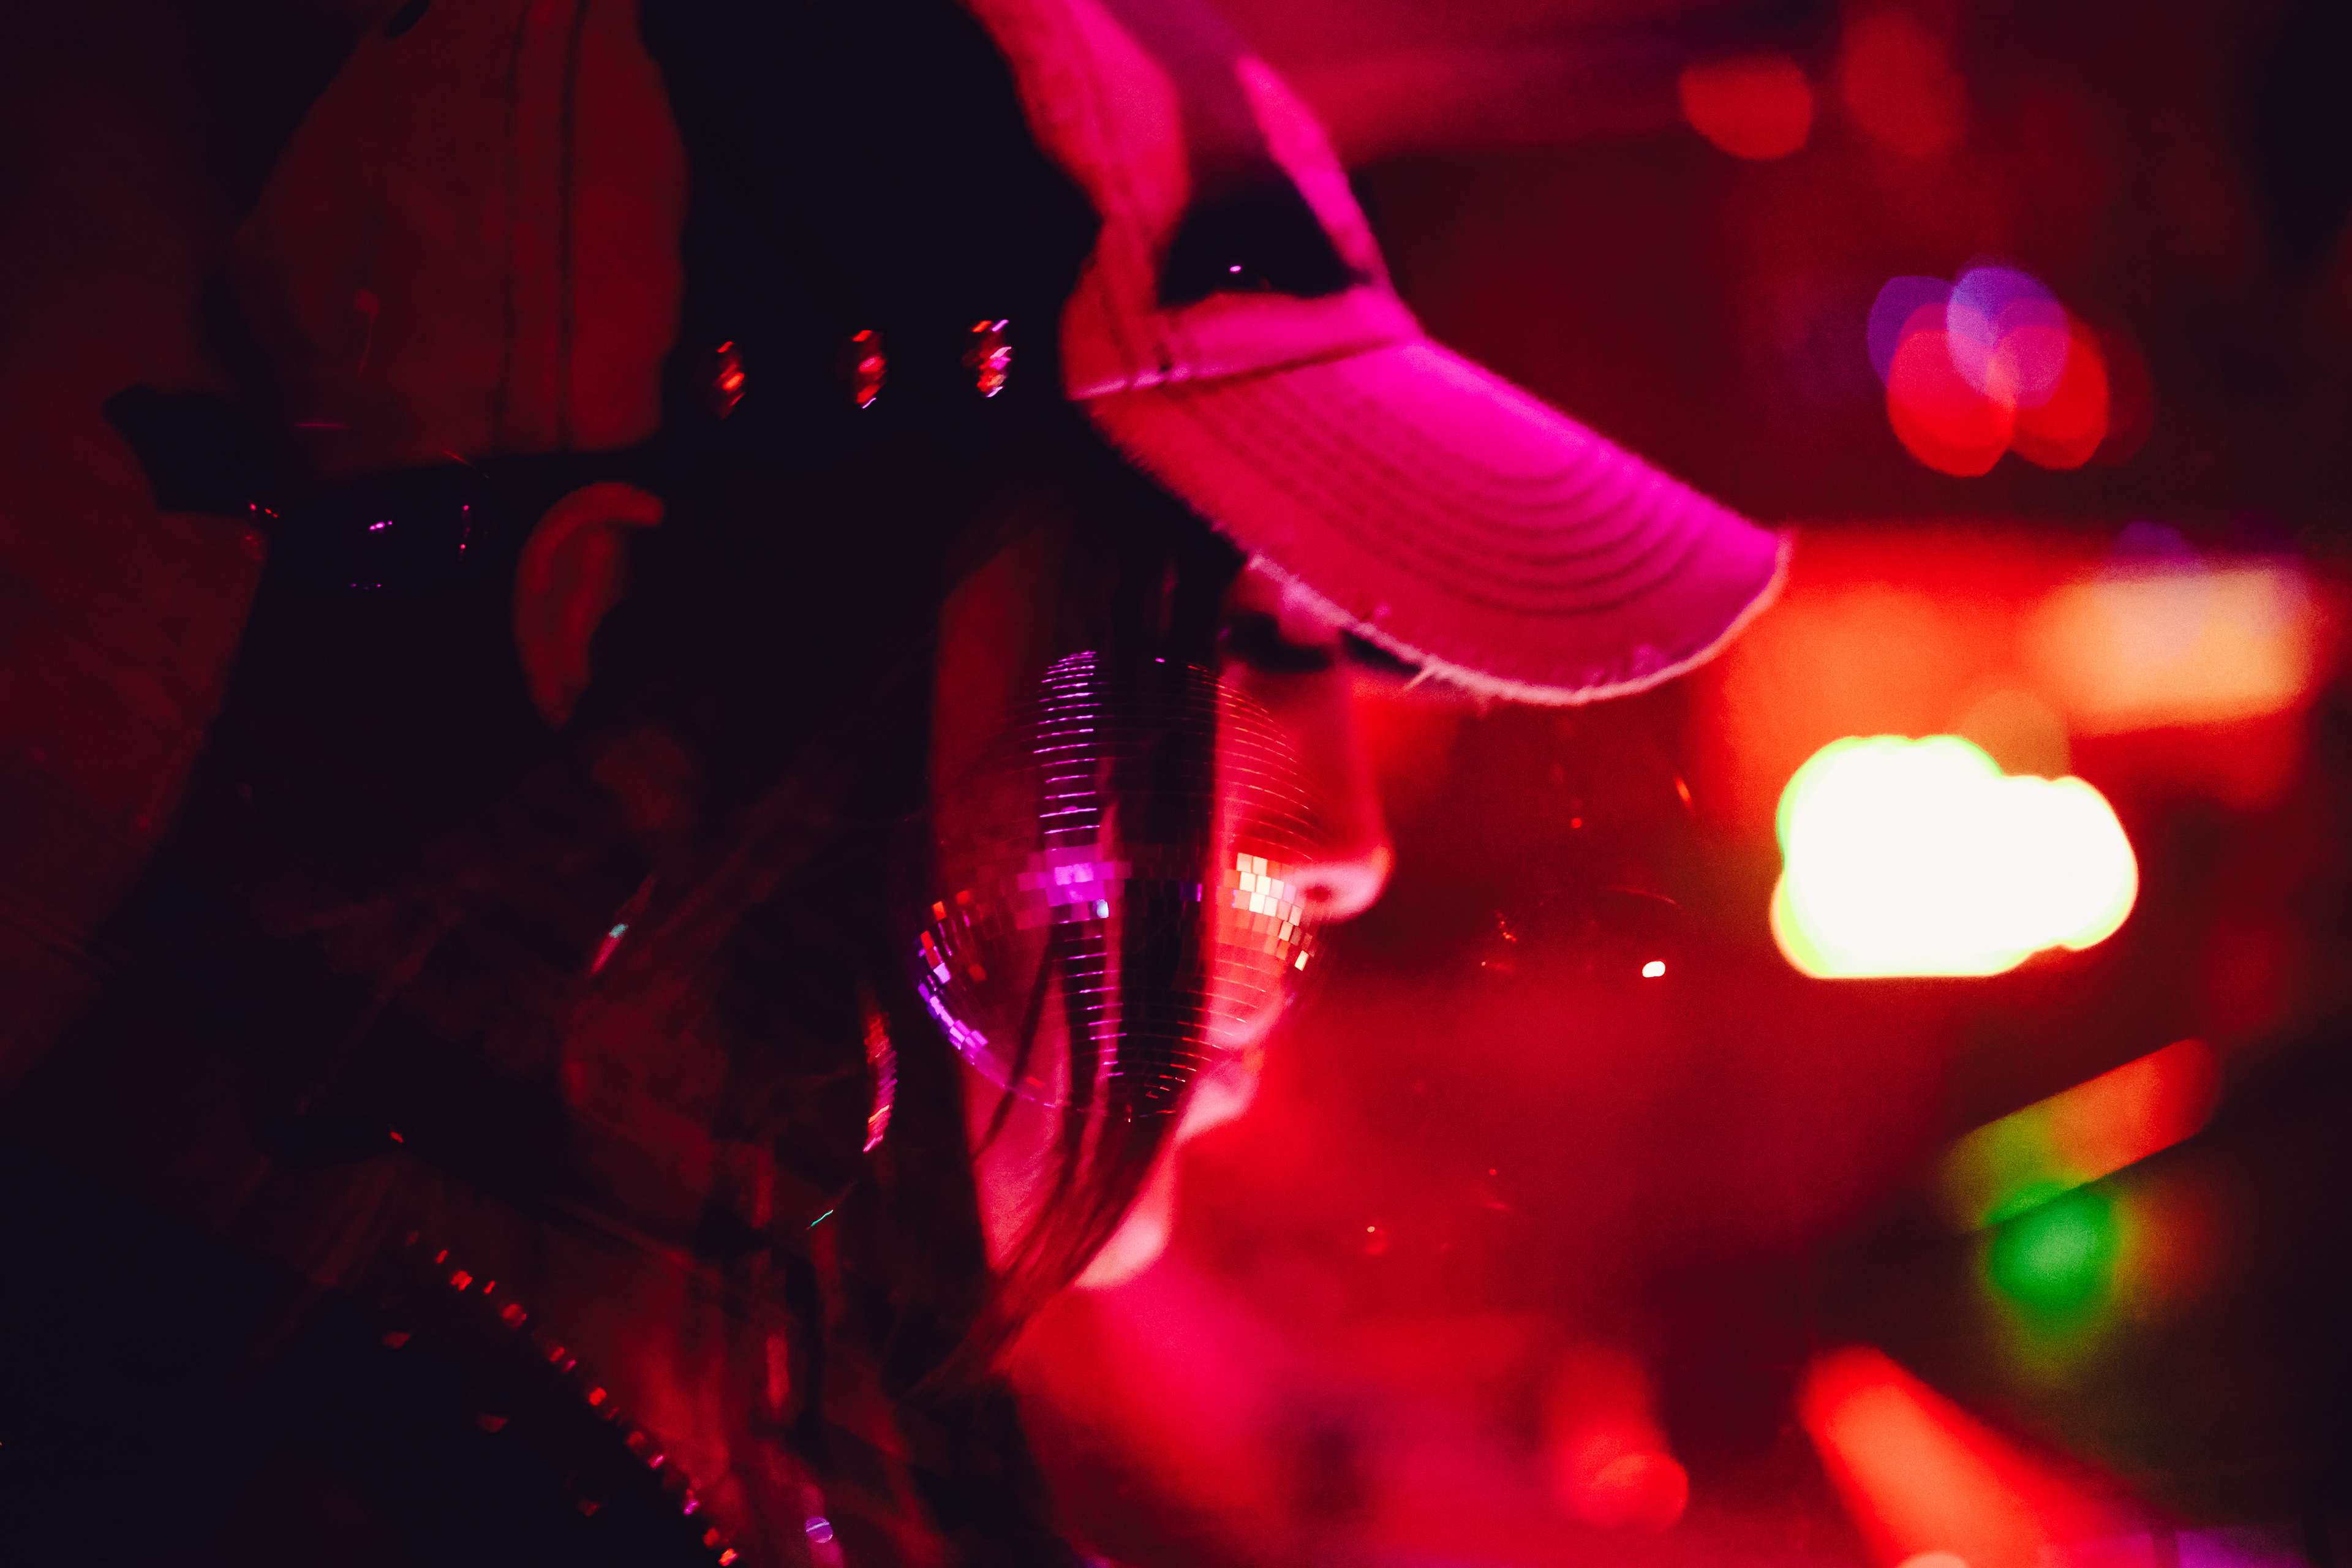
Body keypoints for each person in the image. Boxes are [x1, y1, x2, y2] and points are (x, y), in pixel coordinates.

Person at [0, 0, 1784, 1562]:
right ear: (636, 654)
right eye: (1214, 647)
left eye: (1348, 651)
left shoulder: (624, 1389)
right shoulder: (305, 1492)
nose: (1359, 851)